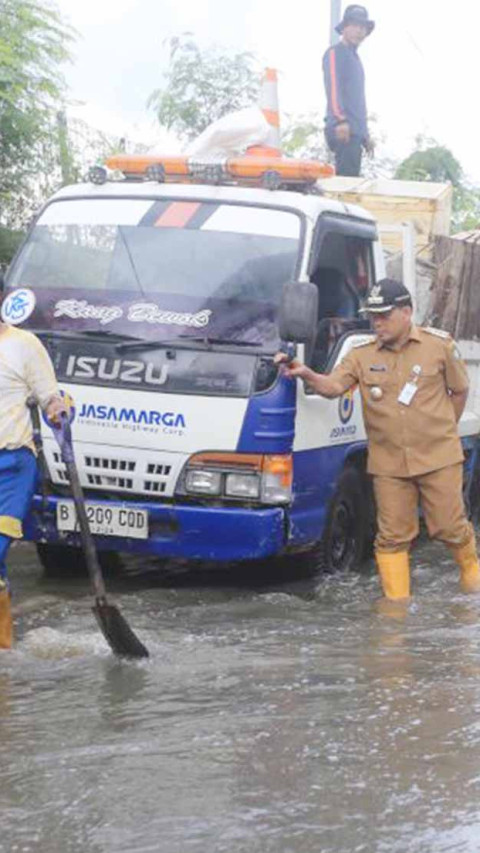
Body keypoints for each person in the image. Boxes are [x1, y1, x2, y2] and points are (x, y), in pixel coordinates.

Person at [275, 278, 480, 600]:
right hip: (388, 463)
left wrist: (442, 430)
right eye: (373, 316)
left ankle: (471, 576)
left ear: (407, 312)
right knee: (392, 537)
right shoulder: (361, 354)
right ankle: (395, 614)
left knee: (448, 527)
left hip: (438, 457)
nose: (377, 322)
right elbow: (332, 387)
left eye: (384, 315)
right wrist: (306, 373)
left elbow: (460, 390)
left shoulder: (438, 346)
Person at [0, 321, 67, 649]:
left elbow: (50, 398)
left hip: (12, 466)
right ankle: (4, 648)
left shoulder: (24, 344)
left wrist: (58, 411)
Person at [323, 4, 375, 177]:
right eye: (355, 26)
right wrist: (340, 120)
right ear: (345, 27)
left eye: (363, 27)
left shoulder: (356, 59)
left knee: (351, 180)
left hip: (355, 131)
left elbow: (358, 101)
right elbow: (333, 88)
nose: (359, 31)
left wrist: (365, 133)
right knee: (345, 183)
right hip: (343, 129)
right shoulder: (335, 53)